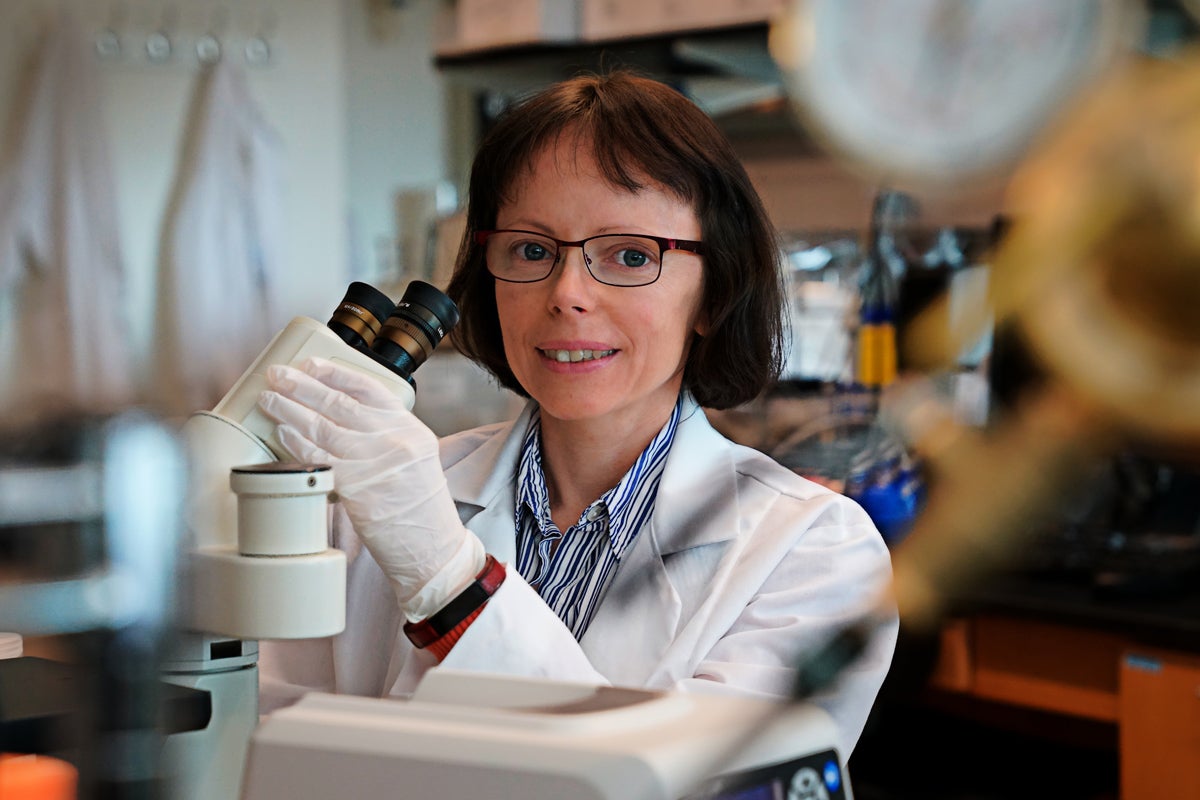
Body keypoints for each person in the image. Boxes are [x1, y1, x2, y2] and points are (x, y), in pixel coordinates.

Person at [256, 69, 898, 757]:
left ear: (714, 294)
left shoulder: (816, 554)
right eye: (532, 250)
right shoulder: (378, 501)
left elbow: (673, 782)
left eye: (628, 255)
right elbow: (274, 752)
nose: (568, 294)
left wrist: (449, 584)